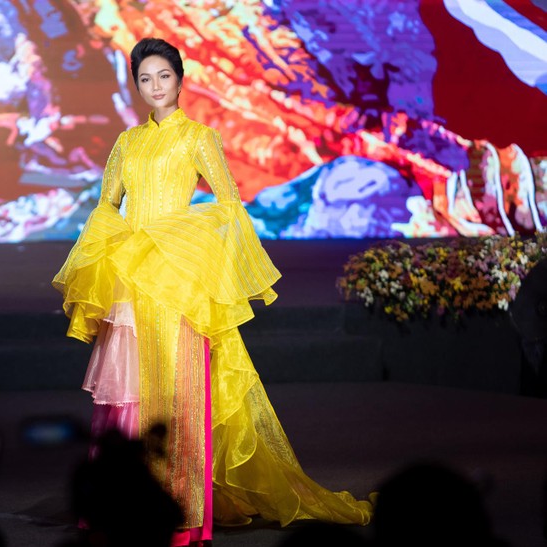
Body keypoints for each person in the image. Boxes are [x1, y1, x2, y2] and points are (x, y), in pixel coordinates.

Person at [53, 37, 373, 545]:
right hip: (132, 280)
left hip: (178, 280)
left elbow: (229, 205)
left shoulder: (198, 137)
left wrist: (183, 238)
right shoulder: (127, 142)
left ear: (180, 79)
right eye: (145, 79)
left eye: (163, 76)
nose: (155, 86)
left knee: (178, 395)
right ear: (136, 86)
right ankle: (119, 506)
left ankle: (179, 513)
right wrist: (117, 247)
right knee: (127, 393)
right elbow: (106, 205)